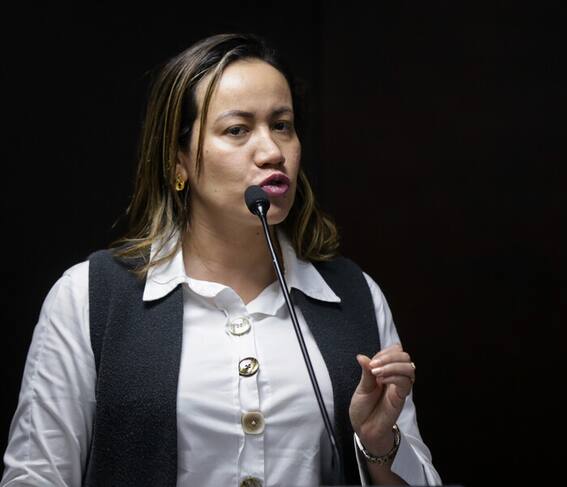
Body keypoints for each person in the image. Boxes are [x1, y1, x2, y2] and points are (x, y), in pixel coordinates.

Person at [1, 33, 441, 486]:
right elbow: (35, 476)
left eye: (282, 125)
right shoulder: (88, 297)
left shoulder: (354, 295)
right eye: (237, 130)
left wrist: (378, 443)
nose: (272, 152)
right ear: (178, 160)